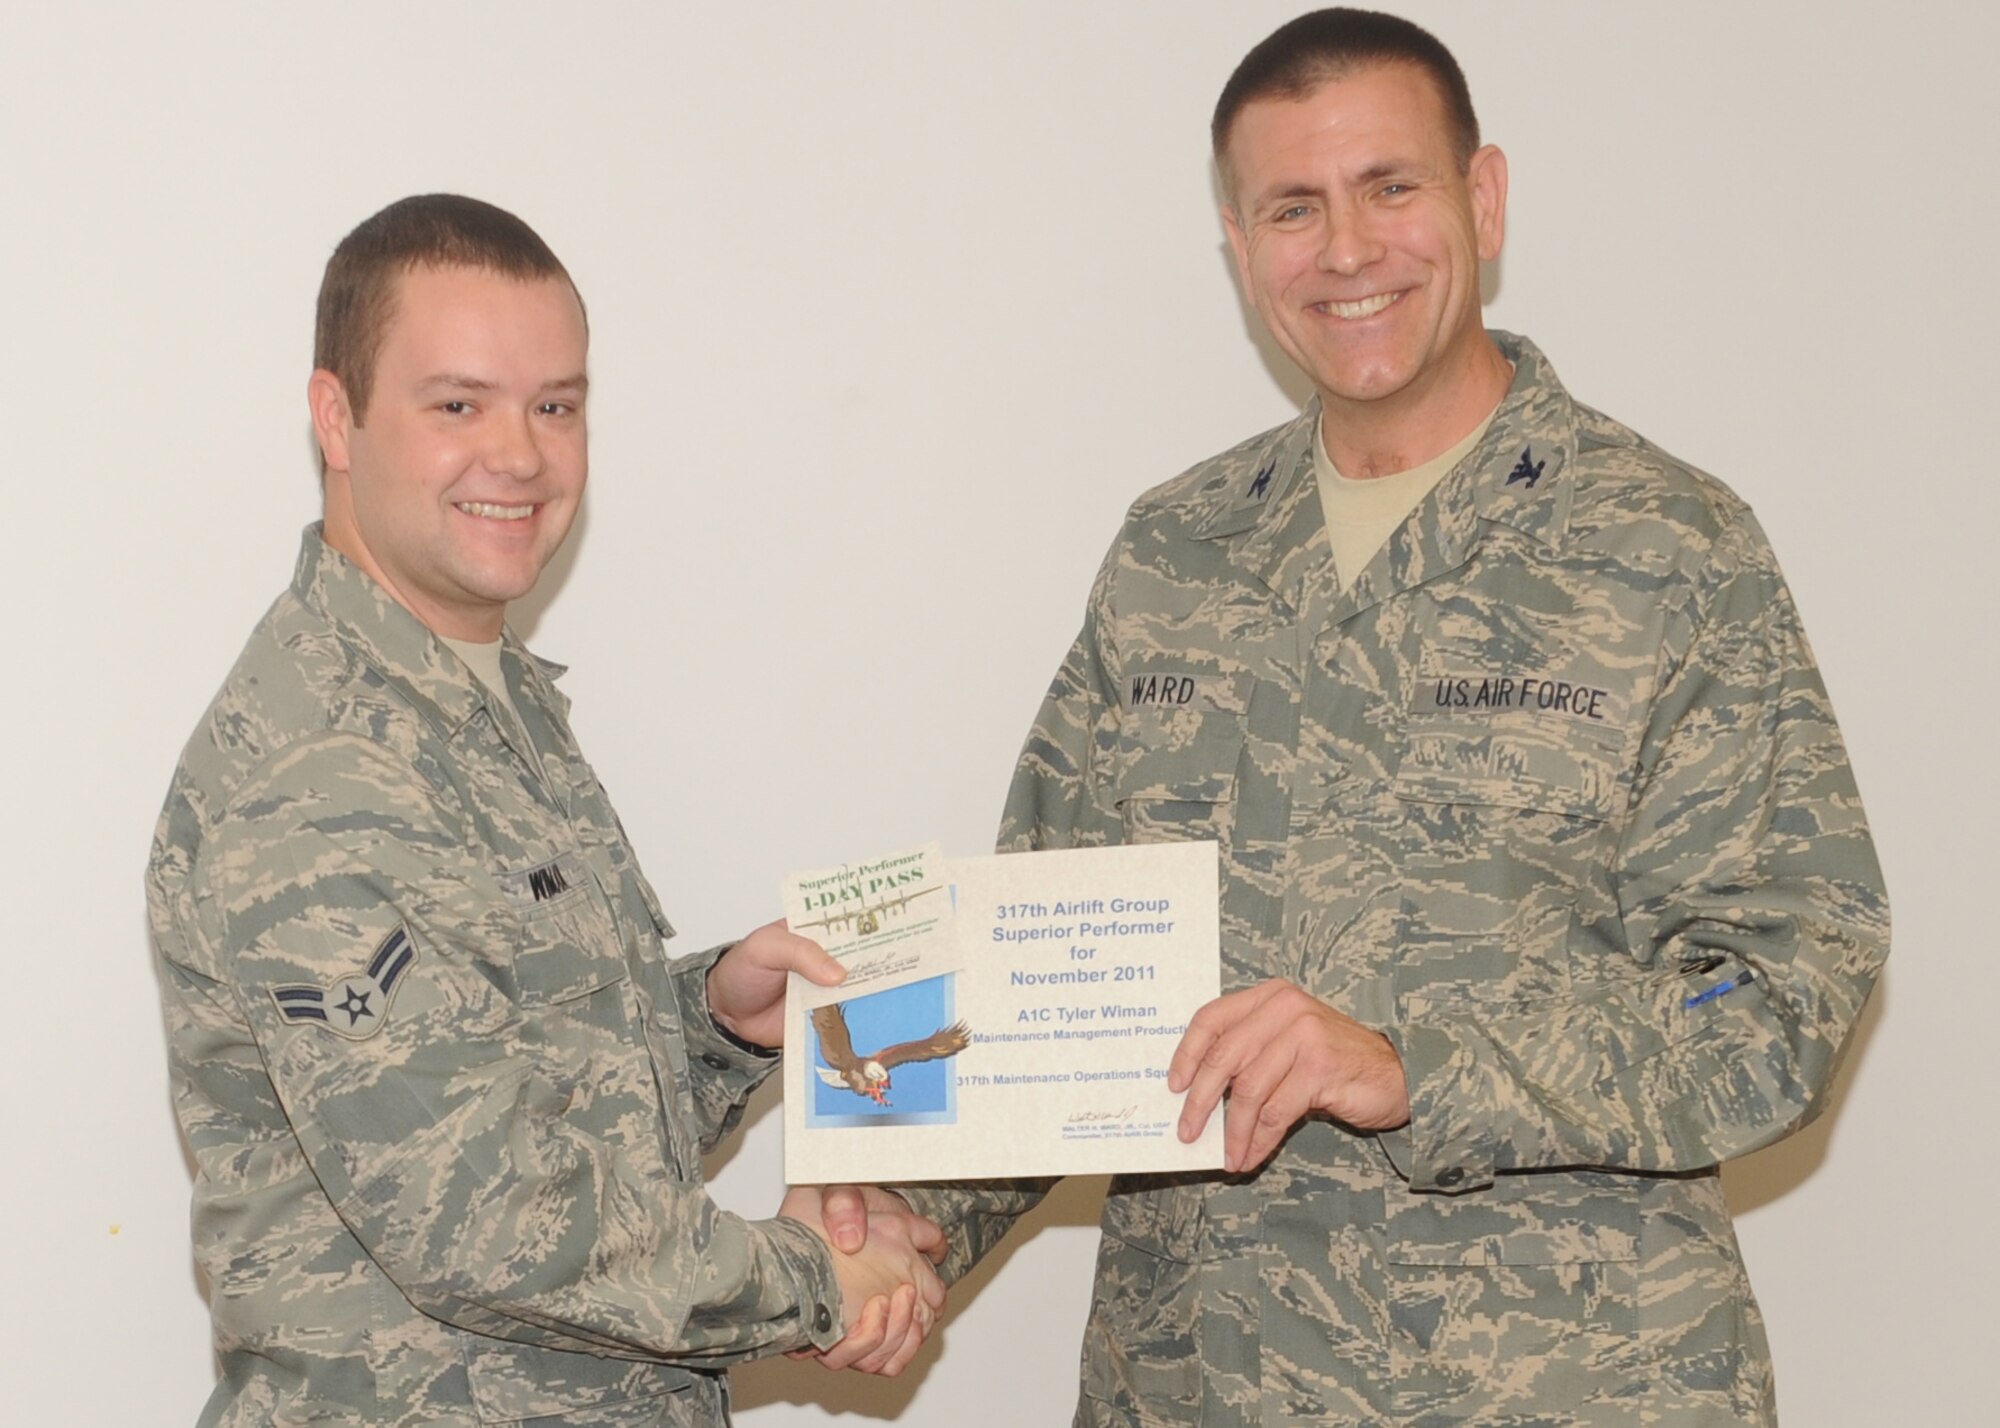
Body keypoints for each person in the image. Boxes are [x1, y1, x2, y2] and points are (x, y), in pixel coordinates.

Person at [815, 9, 1889, 1424]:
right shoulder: (1172, 553)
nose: (1347, 249)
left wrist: (1412, 1067)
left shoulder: (1668, 548)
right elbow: (1044, 966)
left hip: (1563, 1390)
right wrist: (897, 1200)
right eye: (1292, 207)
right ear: (1239, 243)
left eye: (1392, 187)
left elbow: (1780, 993)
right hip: (1195, 1382)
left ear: (1482, 200)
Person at [146, 194, 945, 1427]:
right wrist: (815, 1278)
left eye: (555, 405)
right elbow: (488, 1219)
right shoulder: (316, 768)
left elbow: (541, 1086)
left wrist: (715, 1022)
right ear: (336, 417)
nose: (518, 454)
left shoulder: (479, 696)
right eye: (457, 404)